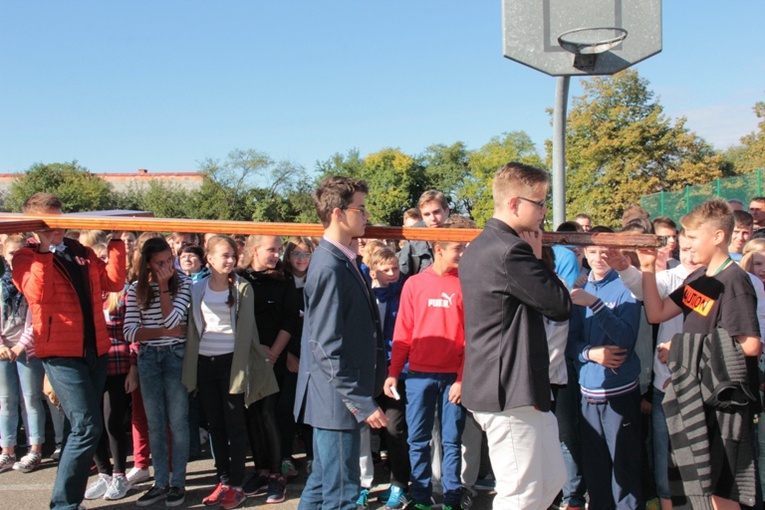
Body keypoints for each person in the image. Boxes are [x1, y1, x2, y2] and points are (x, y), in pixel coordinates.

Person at [459, 162, 572, 509]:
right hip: (509, 391)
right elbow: (559, 304)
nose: (543, 212)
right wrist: (539, 258)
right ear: (513, 204)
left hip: (515, 387)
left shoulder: (482, 245)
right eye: (539, 203)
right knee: (520, 494)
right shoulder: (511, 250)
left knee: (553, 477)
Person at [640, 199, 761, 509]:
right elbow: (657, 313)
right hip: (696, 399)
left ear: (718, 236)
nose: (685, 244)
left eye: (693, 237)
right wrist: (648, 269)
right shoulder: (701, 280)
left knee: (721, 491)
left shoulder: (734, 281)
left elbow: (750, 345)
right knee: (698, 492)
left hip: (722, 405)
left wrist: (681, 349)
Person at [12, 193, 126, 509]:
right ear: (33, 226)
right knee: (87, 425)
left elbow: (114, 283)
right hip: (60, 353)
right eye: (49, 223)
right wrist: (44, 248)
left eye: (59, 220)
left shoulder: (80, 250)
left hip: (96, 349)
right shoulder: (24, 256)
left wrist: (117, 241)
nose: (57, 228)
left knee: (86, 427)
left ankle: (68, 499)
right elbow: (38, 292)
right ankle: (64, 504)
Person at [294, 176, 388, 509]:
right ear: (338, 213)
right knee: (341, 494)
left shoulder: (340, 260)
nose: (366, 216)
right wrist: (360, 401)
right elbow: (325, 346)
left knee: (322, 484)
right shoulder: (329, 267)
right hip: (336, 401)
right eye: (360, 209)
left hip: (336, 398)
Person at [605, 231, 702, 510]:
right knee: (664, 466)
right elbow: (648, 299)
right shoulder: (675, 280)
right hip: (664, 389)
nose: (689, 254)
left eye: (694, 247)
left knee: (701, 469)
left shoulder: (716, 282)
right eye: (685, 248)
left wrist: (682, 350)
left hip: (702, 389)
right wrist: (629, 269)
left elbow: (743, 339)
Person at [182, 235, 279, 509]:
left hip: (232, 364)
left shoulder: (242, 288)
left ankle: (236, 484)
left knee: (235, 424)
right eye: (223, 255)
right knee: (215, 425)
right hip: (205, 364)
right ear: (209, 259)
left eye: (232, 256)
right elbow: (192, 330)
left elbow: (246, 331)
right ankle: (222, 479)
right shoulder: (197, 289)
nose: (229, 260)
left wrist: (242, 371)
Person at [384, 217, 472, 510]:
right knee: (418, 440)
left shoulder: (467, 284)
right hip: (419, 375)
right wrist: (394, 372)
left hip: (452, 378)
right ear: (438, 249)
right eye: (458, 248)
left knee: (451, 441)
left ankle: (452, 498)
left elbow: (472, 337)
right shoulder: (414, 284)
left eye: (466, 248)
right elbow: (403, 332)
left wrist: (462, 378)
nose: (463, 254)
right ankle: (420, 497)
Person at [567, 228, 643, 510]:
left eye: (605, 251)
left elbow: (625, 339)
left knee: (624, 468)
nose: (599, 257)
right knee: (596, 469)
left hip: (620, 391)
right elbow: (569, 344)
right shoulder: (580, 287)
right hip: (588, 391)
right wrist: (590, 354)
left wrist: (596, 305)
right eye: (592, 251)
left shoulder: (626, 287)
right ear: (583, 254)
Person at [124, 237, 192, 508]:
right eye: (160, 263)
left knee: (177, 422)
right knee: (155, 424)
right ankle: (160, 481)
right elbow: (130, 331)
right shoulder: (134, 289)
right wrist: (163, 333)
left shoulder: (184, 283)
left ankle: (178, 483)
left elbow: (173, 319)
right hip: (149, 357)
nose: (167, 266)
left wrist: (164, 286)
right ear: (148, 264)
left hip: (176, 355)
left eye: (169, 260)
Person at [237, 234, 300, 503]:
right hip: (247, 355)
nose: (276, 255)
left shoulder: (284, 279)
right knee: (251, 414)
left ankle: (276, 474)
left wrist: (274, 352)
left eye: (278, 250)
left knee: (268, 413)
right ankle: (261, 470)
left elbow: (289, 319)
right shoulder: (240, 279)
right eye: (270, 250)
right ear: (254, 250)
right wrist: (255, 349)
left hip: (274, 355)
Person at [84, 250, 137, 502]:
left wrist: (133, 367)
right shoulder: (88, 292)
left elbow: (133, 333)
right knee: (92, 424)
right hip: (90, 365)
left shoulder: (124, 293)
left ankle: (119, 475)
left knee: (112, 422)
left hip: (117, 364)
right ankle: (104, 473)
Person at [365, 247, 410, 510]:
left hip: (398, 370)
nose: (393, 273)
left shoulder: (404, 292)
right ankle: (364, 485)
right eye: (386, 269)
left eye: (396, 268)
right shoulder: (366, 294)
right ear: (373, 272)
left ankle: (399, 484)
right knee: (369, 429)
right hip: (370, 371)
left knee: (395, 429)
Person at [0, 235, 45, 474]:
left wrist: (21, 345)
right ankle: (7, 450)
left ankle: (35, 449)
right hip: (4, 351)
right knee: (6, 401)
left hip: (27, 350)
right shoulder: (0, 286)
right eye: (10, 254)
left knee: (31, 399)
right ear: (3, 256)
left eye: (19, 254)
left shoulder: (32, 284)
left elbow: (35, 320)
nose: (15, 258)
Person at [398, 190, 450, 279]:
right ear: (422, 216)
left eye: (436, 212)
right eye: (427, 214)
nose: (433, 218)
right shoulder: (414, 242)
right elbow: (402, 278)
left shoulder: (461, 238)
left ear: (447, 211)